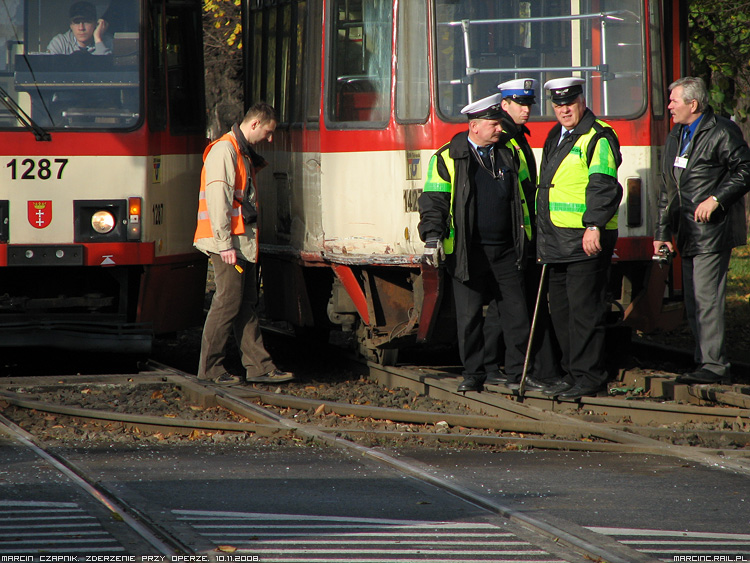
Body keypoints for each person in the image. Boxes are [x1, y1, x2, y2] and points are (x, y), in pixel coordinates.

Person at [418, 93, 539, 393]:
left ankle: (517, 373)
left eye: (499, 123)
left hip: (507, 249)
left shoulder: (510, 152)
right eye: (493, 124)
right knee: (470, 318)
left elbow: (527, 193)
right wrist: (432, 238)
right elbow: (434, 201)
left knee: (517, 314)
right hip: (467, 252)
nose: (500, 129)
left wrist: (533, 235)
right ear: (474, 126)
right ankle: (473, 374)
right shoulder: (448, 156)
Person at [655, 77, 750, 384]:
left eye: (674, 101)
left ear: (692, 104)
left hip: (711, 232)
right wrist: (661, 234)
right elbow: (667, 189)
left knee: (707, 300)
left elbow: (745, 169)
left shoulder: (721, 130)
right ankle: (703, 362)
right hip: (685, 232)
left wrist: (716, 199)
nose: (669, 106)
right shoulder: (677, 135)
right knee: (694, 302)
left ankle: (714, 365)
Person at [194, 102, 294, 386]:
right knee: (228, 302)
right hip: (228, 246)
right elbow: (218, 200)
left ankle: (259, 366)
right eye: (269, 131)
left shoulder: (240, 153)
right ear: (254, 125)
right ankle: (210, 369)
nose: (270, 138)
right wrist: (225, 244)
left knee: (246, 303)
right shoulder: (224, 151)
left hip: (240, 245)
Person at [536, 77, 623, 400]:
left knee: (584, 311)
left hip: (585, 237)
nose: (563, 110)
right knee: (561, 310)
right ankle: (573, 372)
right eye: (558, 106)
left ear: (581, 101)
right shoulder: (556, 135)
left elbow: (603, 184)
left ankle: (590, 376)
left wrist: (594, 225)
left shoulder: (598, 136)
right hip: (557, 237)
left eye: (569, 104)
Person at [47, 2, 112, 55]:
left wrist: (98, 39)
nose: (81, 28)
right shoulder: (60, 43)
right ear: (71, 25)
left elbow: (108, 68)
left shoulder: (107, 42)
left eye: (86, 22)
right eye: (77, 22)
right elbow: (49, 68)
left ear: (95, 24)